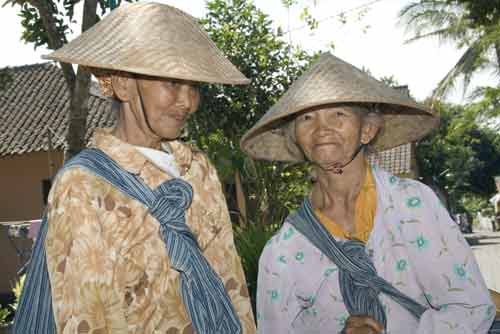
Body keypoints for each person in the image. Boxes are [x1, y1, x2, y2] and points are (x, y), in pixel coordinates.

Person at [14, 3, 256, 334]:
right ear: (123, 84)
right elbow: (88, 317)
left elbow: (233, 287)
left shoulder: (199, 172)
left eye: (194, 86)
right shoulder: (84, 186)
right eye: (172, 82)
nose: (188, 101)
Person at [240, 53, 496, 334]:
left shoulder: (413, 205)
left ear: (367, 130)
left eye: (339, 114)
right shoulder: (282, 252)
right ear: (297, 139)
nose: (322, 128)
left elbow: (470, 306)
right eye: (307, 117)